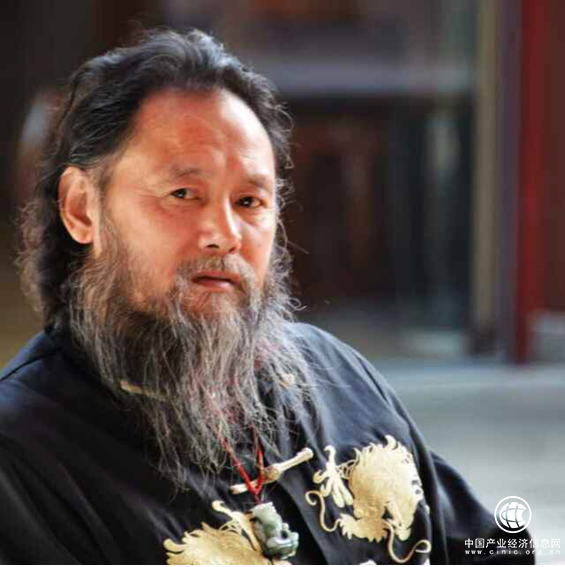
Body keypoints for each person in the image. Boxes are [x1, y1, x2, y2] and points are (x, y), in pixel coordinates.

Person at [0, 29, 531, 565]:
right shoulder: (24, 455)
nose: (225, 234)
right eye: (183, 194)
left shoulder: (338, 375)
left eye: (250, 201)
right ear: (82, 208)